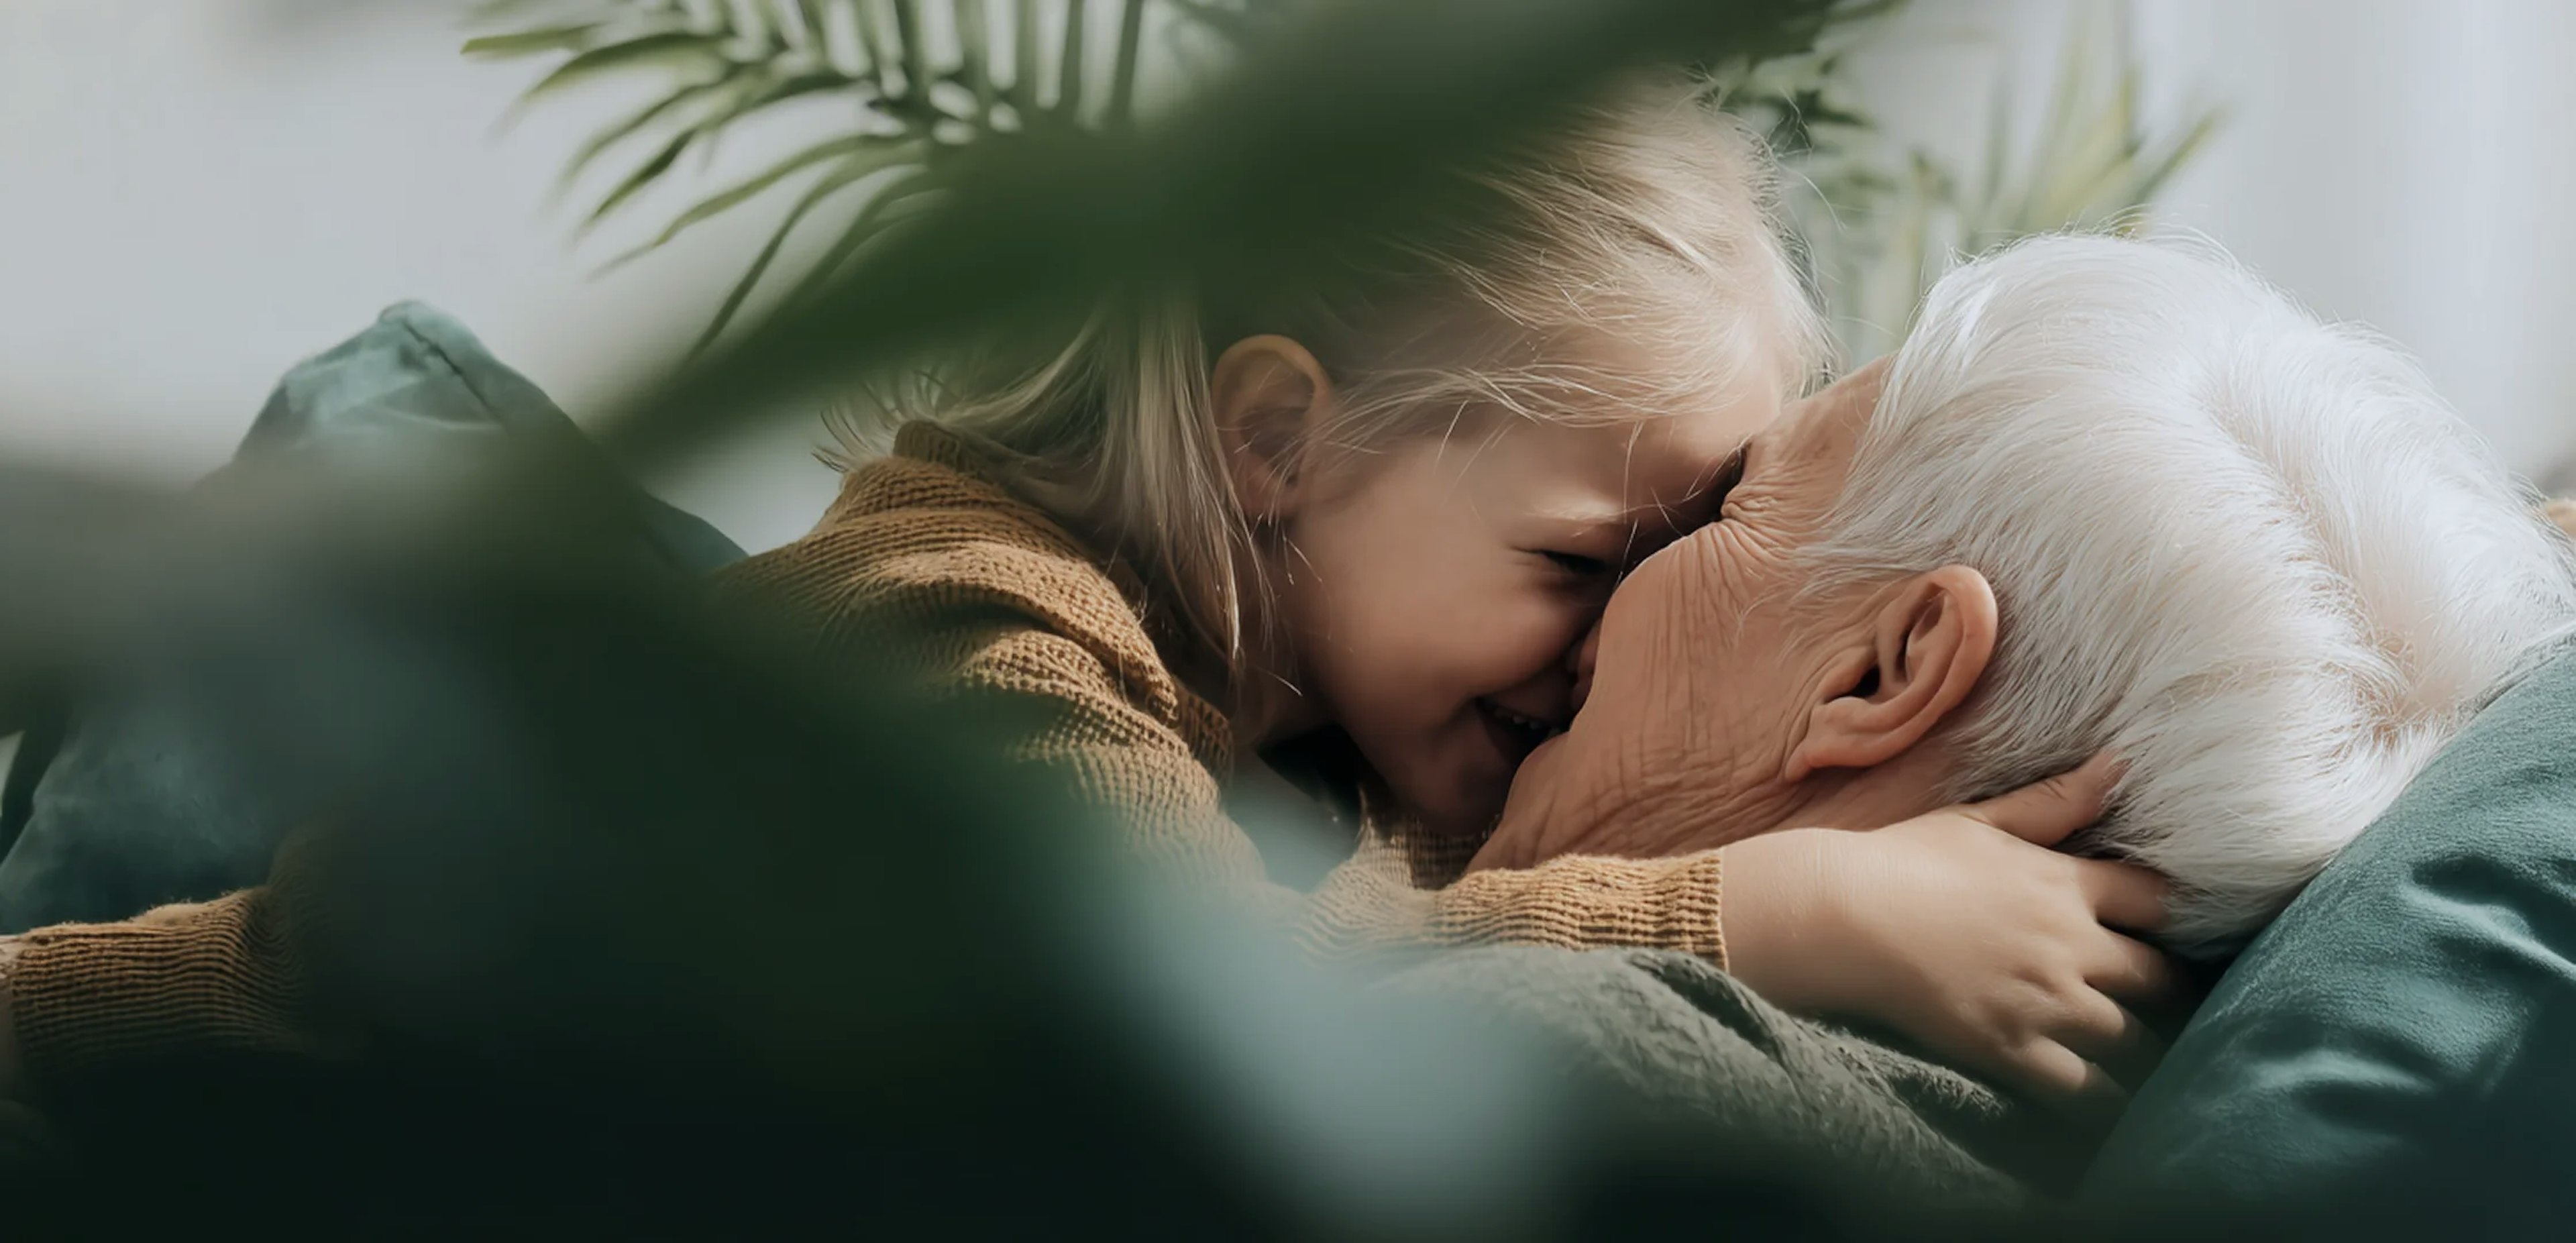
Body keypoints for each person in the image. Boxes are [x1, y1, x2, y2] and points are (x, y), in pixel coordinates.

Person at [0, 78, 2155, 1108]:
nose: (1611, 643)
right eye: (1582, 558)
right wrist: (1759, 910)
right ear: (1276, 443)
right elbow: (1197, 997)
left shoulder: (1279, 721)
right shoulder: (963, 627)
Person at [1477, 234, 2576, 1097]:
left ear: (1888, 673)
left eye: (1729, 501)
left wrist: (1770, 909)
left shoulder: (1568, 1070)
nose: (1621, 581)